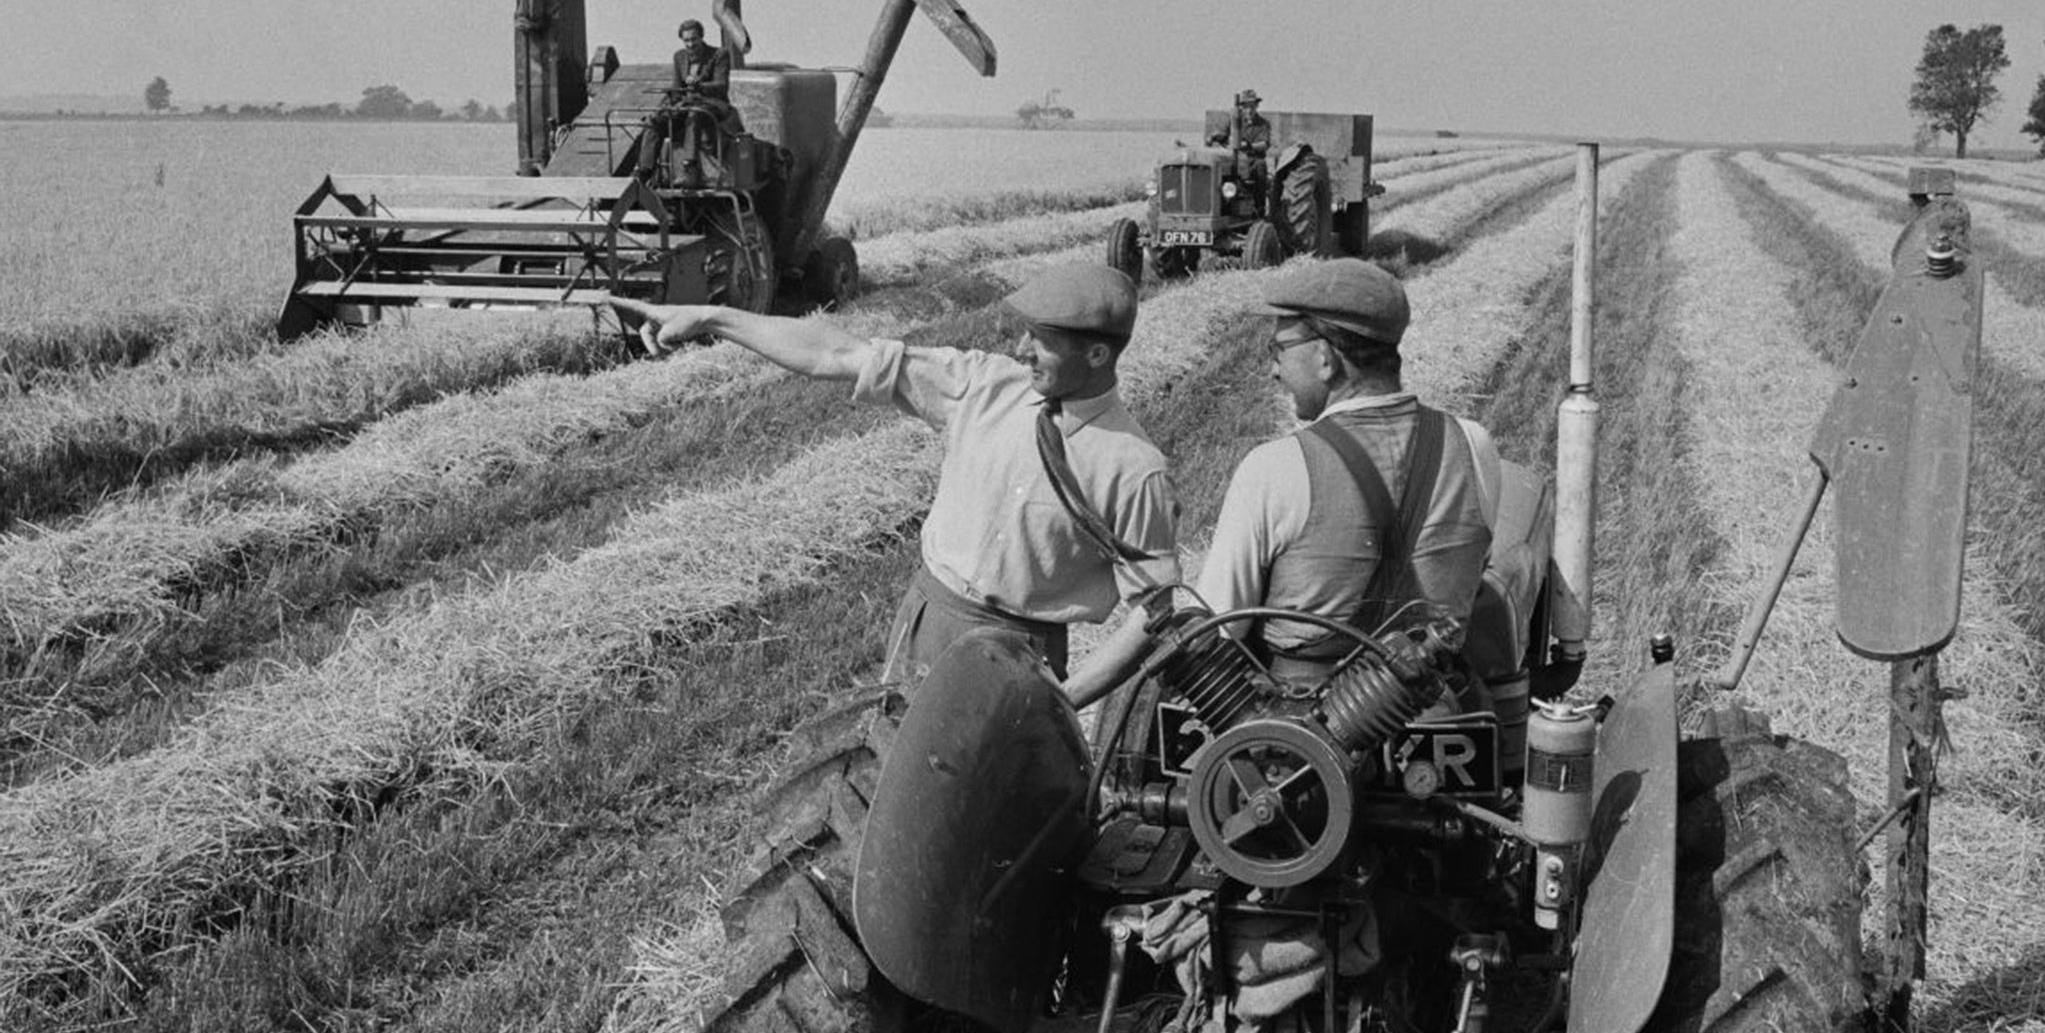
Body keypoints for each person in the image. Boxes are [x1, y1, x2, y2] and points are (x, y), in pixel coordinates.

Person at [608, 263, 1180, 704]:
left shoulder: (1133, 467)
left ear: (1099, 353)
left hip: (1021, 657)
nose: (1020, 349)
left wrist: (1067, 696)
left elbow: (1152, 612)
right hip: (930, 621)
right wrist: (713, 318)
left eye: (1041, 340)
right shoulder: (983, 386)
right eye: (1024, 333)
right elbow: (837, 352)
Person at [1192, 258, 1500, 683]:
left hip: (1302, 729)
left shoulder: (1273, 468)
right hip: (1438, 712)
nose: (1273, 369)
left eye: (1279, 350)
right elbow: (1473, 570)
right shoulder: (1473, 444)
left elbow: (1218, 629)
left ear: (1324, 358)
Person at [636, 19, 742, 185]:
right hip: (687, 104)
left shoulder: (720, 54)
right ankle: (644, 171)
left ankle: (690, 168)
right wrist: (667, 106)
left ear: (701, 37)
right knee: (654, 121)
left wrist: (699, 85)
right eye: (686, 40)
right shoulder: (679, 57)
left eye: (694, 39)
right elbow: (677, 88)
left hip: (713, 104)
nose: (690, 44)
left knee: (695, 115)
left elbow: (721, 86)